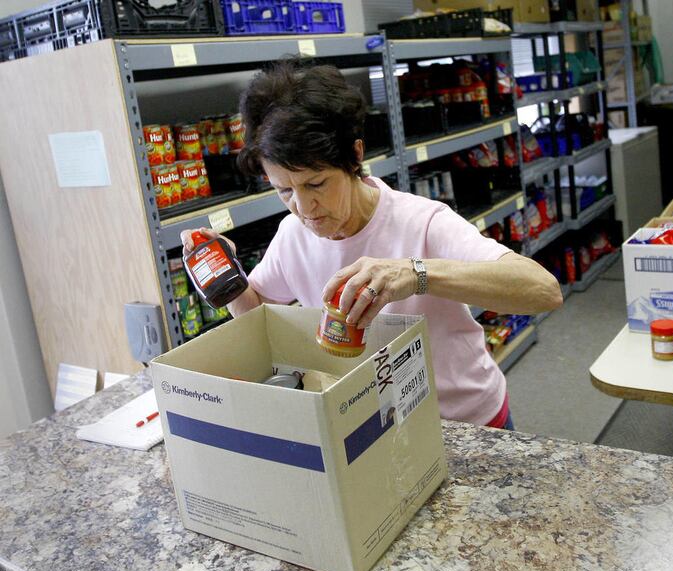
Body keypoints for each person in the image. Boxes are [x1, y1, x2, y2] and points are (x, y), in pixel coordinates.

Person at [182, 61, 563, 430]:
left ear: (355, 156)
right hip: (374, 427)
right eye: (284, 190)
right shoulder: (291, 235)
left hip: (465, 424)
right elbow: (258, 312)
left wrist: (416, 273)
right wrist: (227, 281)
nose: (303, 207)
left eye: (316, 184)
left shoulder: (423, 221)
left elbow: (543, 291)